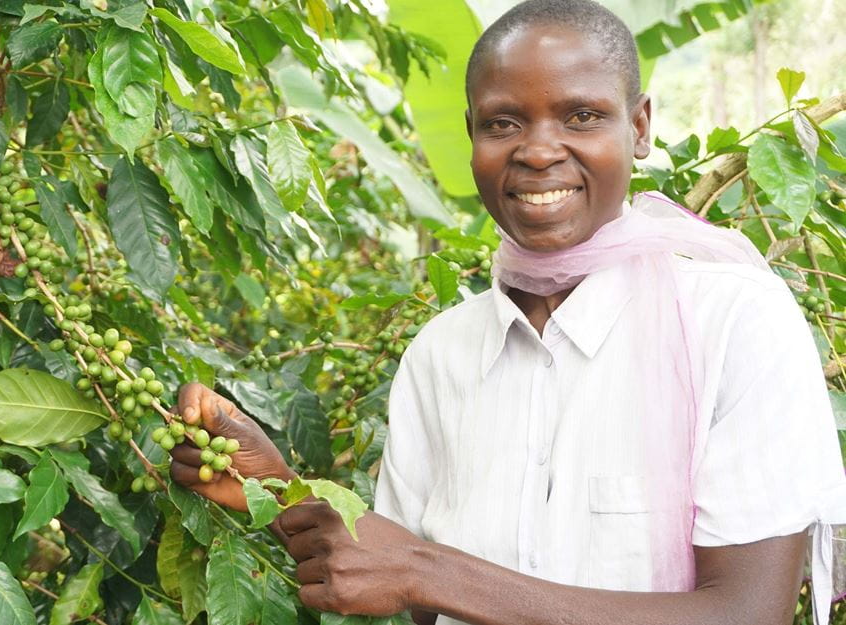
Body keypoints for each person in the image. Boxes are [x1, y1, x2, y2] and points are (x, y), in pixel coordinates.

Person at [170, 1, 846, 623]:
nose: (538, 149)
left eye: (581, 115)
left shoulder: (734, 324)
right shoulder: (441, 355)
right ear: (471, 136)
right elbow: (414, 592)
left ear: (638, 127)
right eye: (503, 122)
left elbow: (747, 613)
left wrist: (423, 569)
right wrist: (280, 490)